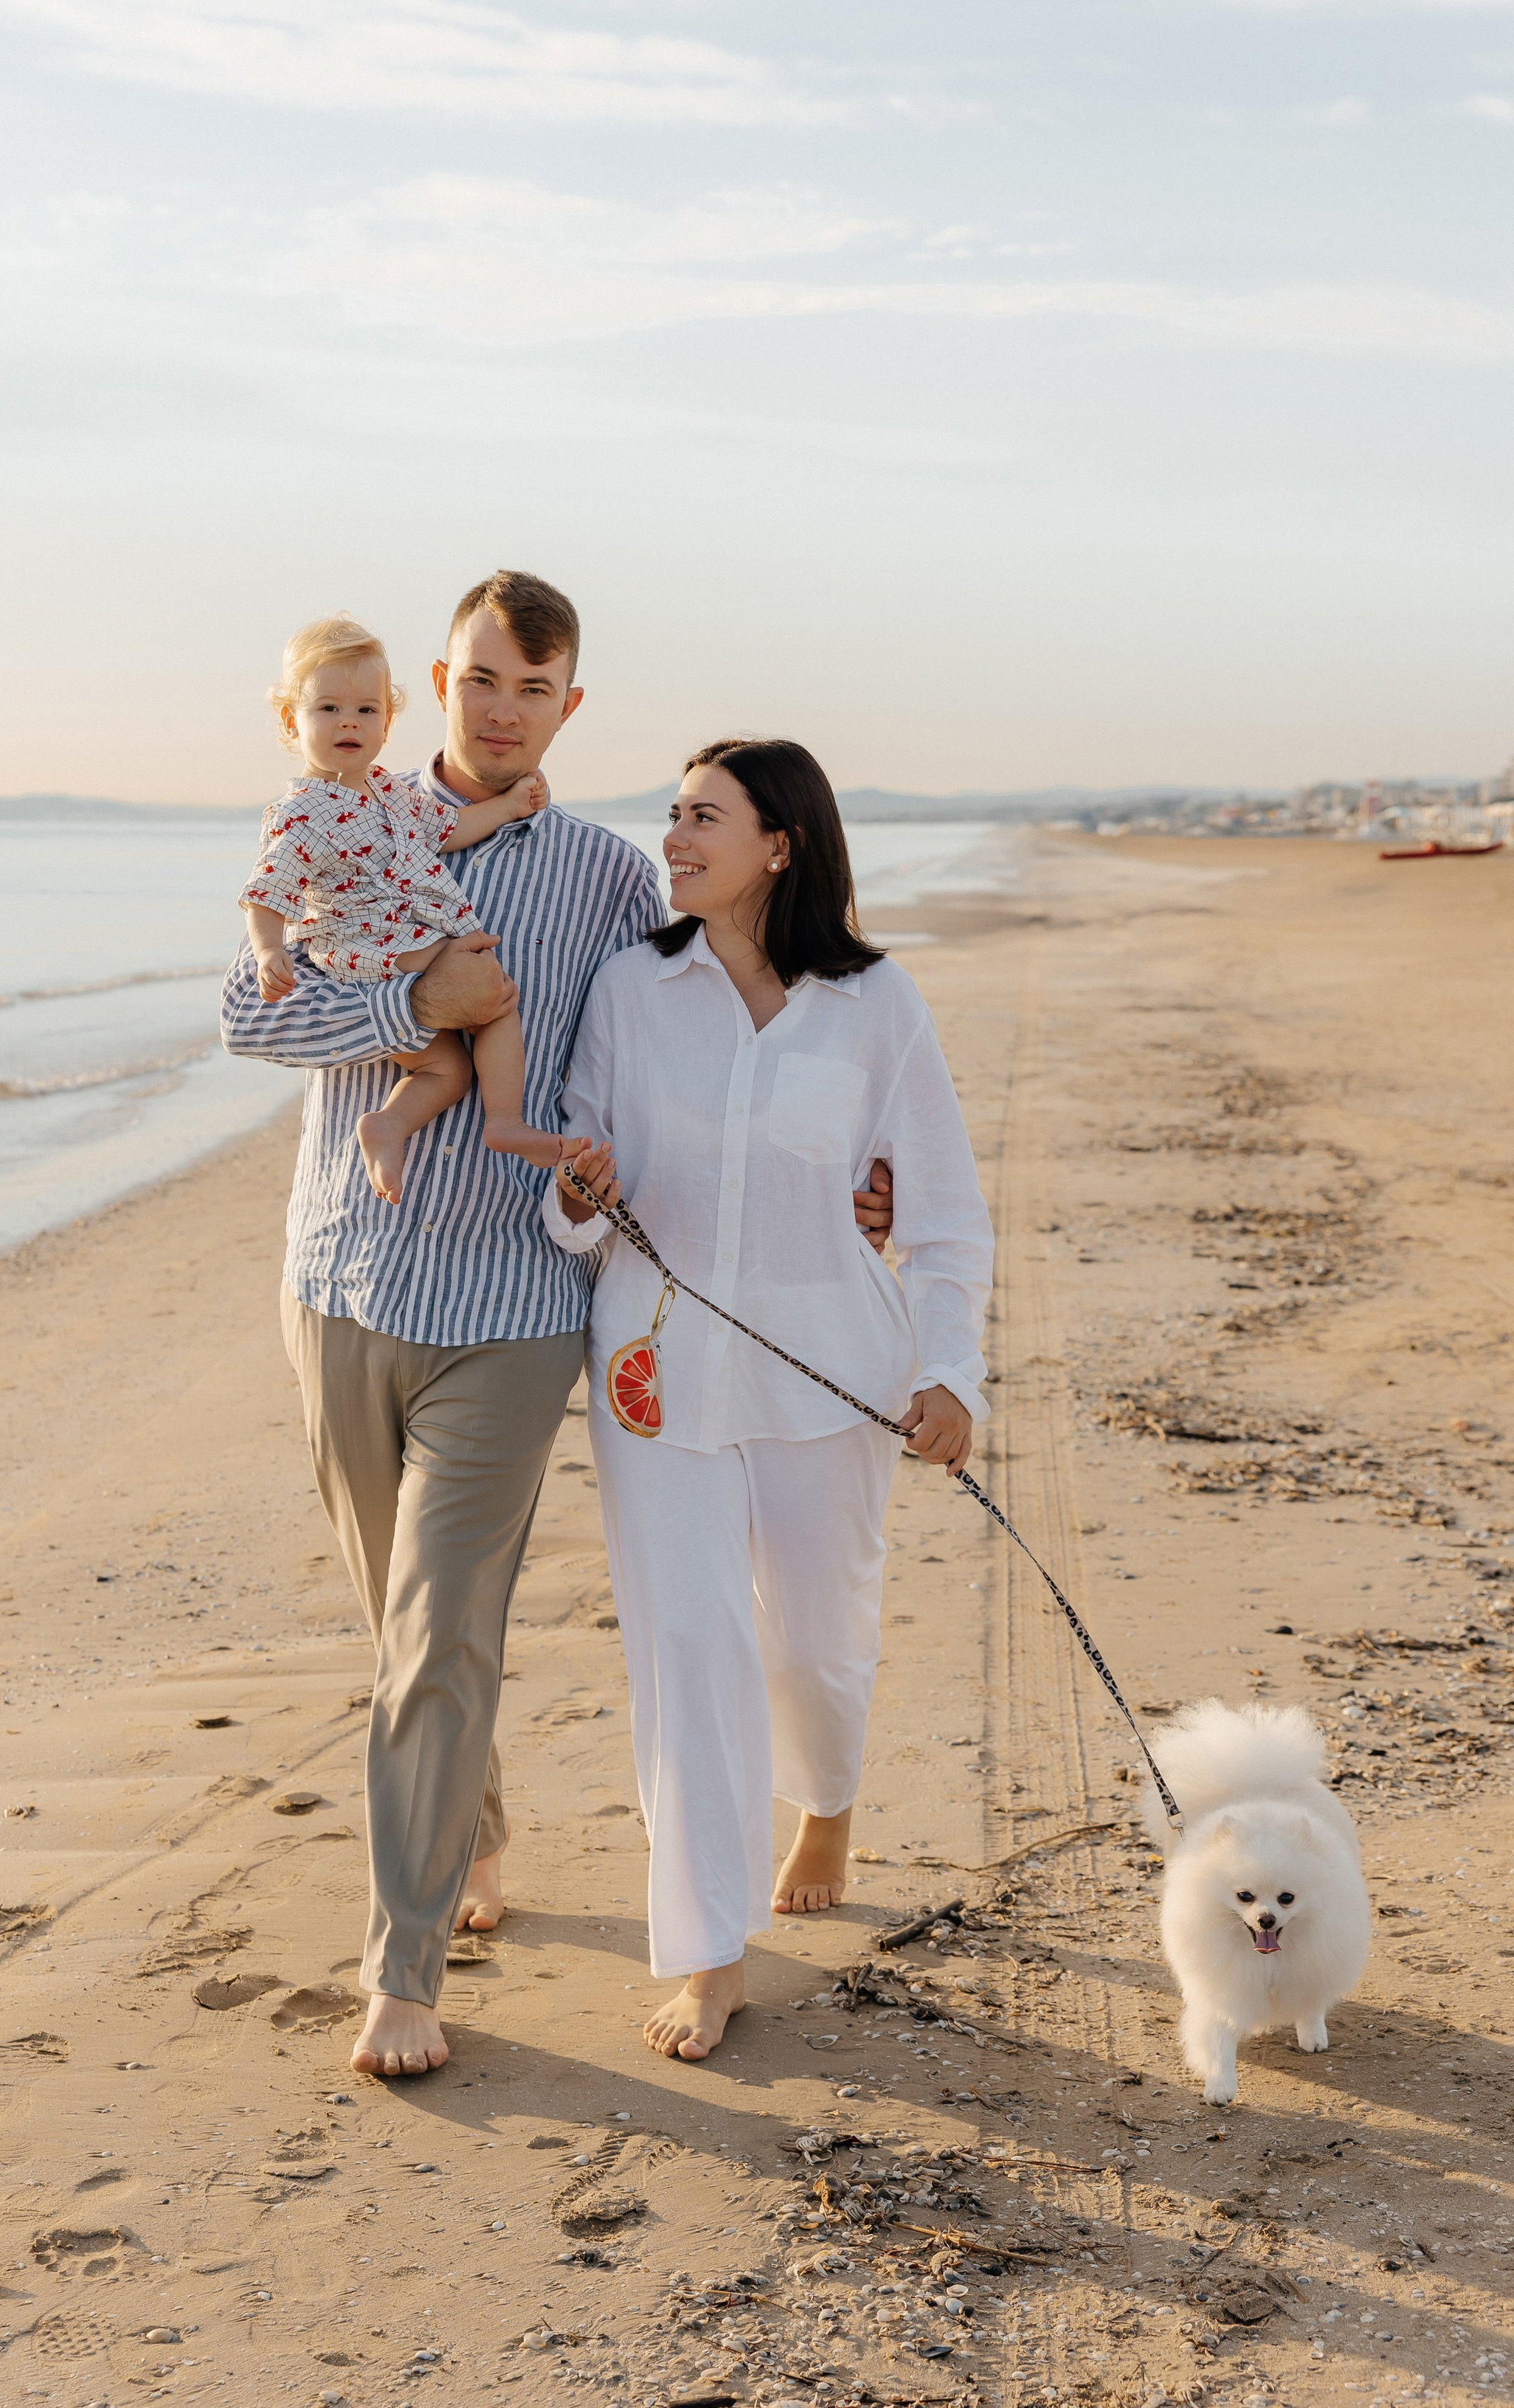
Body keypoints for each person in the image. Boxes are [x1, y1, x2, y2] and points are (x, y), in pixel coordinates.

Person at [221, 577, 898, 2078]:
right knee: (397, 1621)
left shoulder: (606, 877)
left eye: (530, 684)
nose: (499, 705)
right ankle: (474, 1816)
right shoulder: (350, 818)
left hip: (520, 1307)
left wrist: (849, 1174)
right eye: (474, 677)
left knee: (441, 1626)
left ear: (566, 704)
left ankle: (400, 1970)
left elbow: (716, 1009)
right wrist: (412, 1007)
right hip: (336, 1279)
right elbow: (245, 1016)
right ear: (433, 686)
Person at [547, 738, 993, 2063]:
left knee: (813, 1641)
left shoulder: (876, 1004)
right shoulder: (632, 985)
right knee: (689, 1649)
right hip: (654, 1373)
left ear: (778, 844)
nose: (673, 838)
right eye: (671, 815)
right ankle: (710, 1947)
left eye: (702, 817)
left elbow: (947, 1215)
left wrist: (947, 1371)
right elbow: (573, 1169)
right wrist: (577, 1192)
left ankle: (831, 1798)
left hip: (830, 1372)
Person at [241, 613, 568, 1203]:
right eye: (328, 709)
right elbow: (268, 892)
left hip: (402, 938)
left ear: (387, 723)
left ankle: (391, 1123)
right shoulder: (299, 814)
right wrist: (267, 952)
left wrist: (514, 804)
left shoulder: (394, 794)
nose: (349, 721)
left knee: (450, 1065)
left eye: (367, 710)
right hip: (365, 945)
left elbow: (453, 829)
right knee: (489, 989)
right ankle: (507, 1121)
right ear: (292, 721)